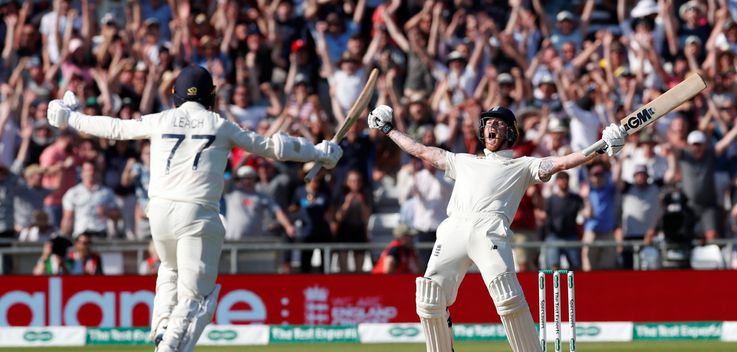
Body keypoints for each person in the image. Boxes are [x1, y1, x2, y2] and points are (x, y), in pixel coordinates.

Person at [47, 66, 342, 352]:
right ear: (210, 95)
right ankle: (170, 344)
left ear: (175, 94)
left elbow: (114, 127)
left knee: (169, 268)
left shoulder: (161, 120)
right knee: (197, 297)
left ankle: (162, 328)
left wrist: (70, 117)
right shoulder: (220, 125)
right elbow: (272, 146)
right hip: (197, 213)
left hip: (159, 214)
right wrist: (319, 151)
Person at [367, 104, 626, 351]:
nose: (491, 126)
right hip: (453, 229)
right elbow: (421, 150)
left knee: (508, 298)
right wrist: (389, 129)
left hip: (490, 231)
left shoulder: (522, 165)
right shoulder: (462, 160)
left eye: (498, 124)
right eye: (487, 123)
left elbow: (563, 162)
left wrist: (601, 146)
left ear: (510, 132)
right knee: (429, 298)